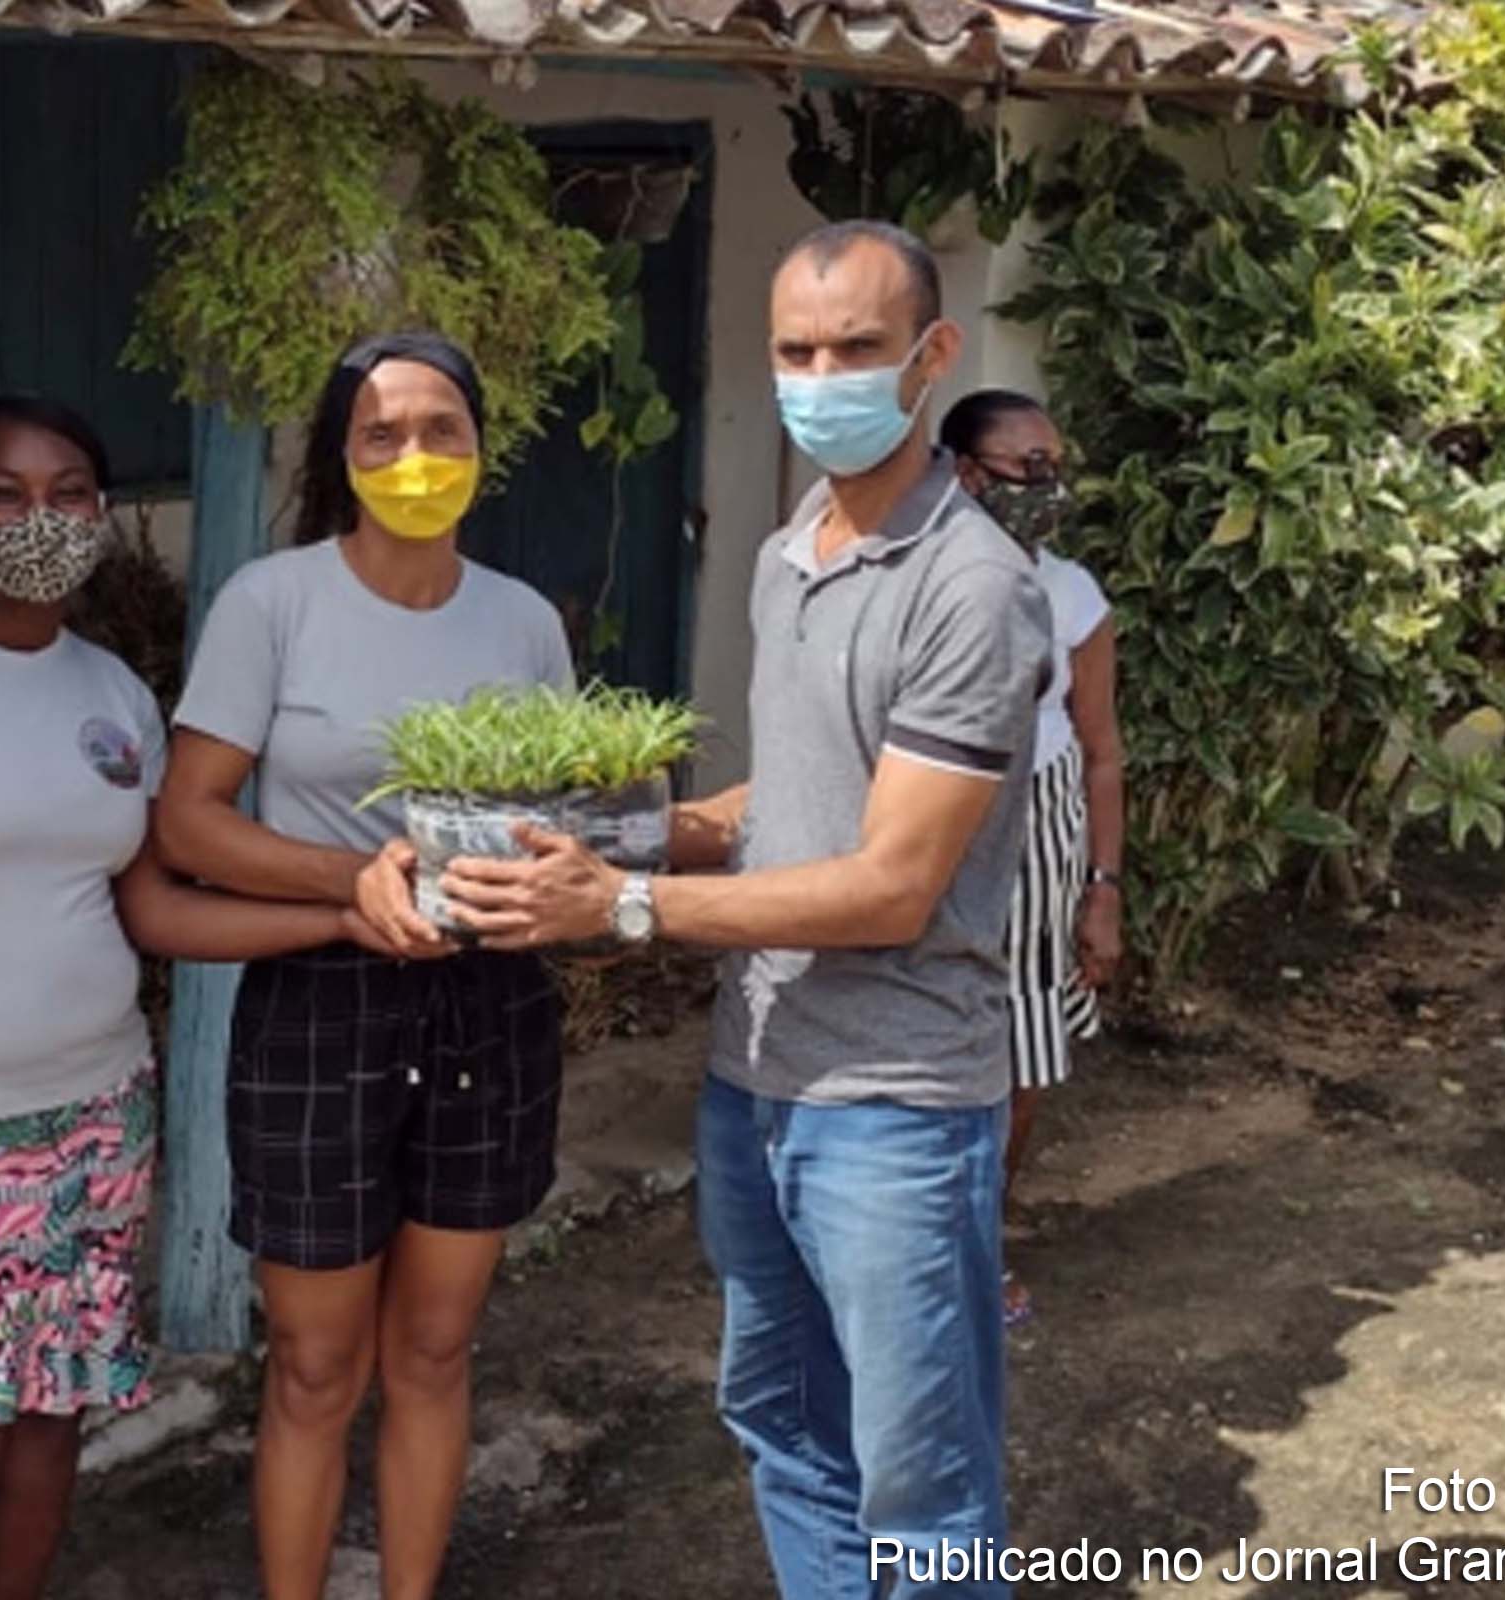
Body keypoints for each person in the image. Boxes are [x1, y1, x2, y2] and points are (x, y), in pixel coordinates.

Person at [440, 223, 1051, 1600]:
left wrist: (627, 904)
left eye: (855, 349)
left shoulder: (974, 590)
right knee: (781, 1425)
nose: (820, 376)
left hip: (891, 1103)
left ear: (932, 356)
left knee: (922, 1487)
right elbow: (812, 785)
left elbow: (894, 884)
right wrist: (661, 829)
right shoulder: (795, 549)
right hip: (755, 1082)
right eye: (795, 351)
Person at [0, 395, 367, 1600]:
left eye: (69, 492)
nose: (38, 519)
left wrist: (347, 920)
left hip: (93, 1124)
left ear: (103, 511)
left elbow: (147, 909)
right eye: (2, 494)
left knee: (47, 1419)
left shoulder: (113, 697)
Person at [154, 332, 574, 1600]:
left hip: (487, 996)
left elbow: (563, 805)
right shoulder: (273, 603)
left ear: (481, 450)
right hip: (322, 1000)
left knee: (437, 1350)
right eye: (381, 432)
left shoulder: (523, 620)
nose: (414, 456)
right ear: (343, 455)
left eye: (442, 428)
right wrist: (351, 883)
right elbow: (189, 819)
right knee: (314, 1364)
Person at [940, 390, 1126, 1327]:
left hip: (1039, 836)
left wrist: (1103, 888)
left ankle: (978, 1247)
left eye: (1057, 467)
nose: (1048, 488)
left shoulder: (1071, 595)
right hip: (927, 829)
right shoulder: (909, 579)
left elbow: (1100, 751)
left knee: (1017, 1060)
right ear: (966, 476)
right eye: (1029, 467)